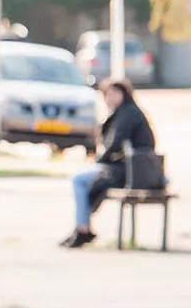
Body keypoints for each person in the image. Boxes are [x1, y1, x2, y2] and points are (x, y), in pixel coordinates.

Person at [59, 78, 157, 248]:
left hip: (129, 171)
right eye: (107, 95)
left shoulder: (127, 114)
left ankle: (83, 229)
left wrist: (100, 159)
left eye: (114, 94)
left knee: (80, 180)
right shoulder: (126, 112)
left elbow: (115, 144)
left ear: (124, 94)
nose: (110, 99)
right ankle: (82, 227)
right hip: (129, 169)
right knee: (87, 180)